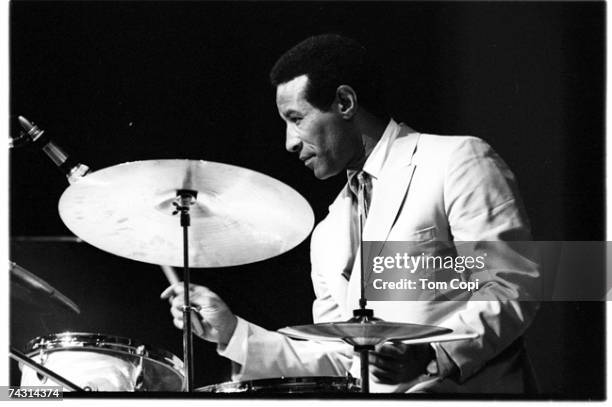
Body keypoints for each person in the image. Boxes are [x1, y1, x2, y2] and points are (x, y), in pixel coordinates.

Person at [161, 34, 540, 393]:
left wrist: (432, 354)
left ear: (344, 103)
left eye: (296, 119)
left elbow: (512, 284)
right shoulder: (327, 232)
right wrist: (232, 333)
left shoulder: (456, 160)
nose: (289, 143)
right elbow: (341, 359)